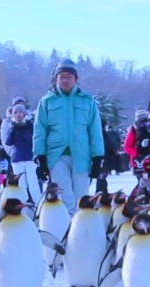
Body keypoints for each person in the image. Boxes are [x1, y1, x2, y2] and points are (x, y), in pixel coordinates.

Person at [33, 58, 105, 215]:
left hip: (81, 156)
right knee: (66, 198)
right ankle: (68, 234)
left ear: (76, 79)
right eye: (61, 76)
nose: (65, 80)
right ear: (56, 78)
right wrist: (40, 158)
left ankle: (81, 234)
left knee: (82, 198)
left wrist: (98, 157)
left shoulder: (87, 101)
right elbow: (40, 130)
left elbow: (95, 131)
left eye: (68, 76)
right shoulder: (47, 102)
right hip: (56, 156)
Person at [3, 103, 40, 203]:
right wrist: (14, 130)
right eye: (15, 112)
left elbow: (32, 140)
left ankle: (38, 205)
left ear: (24, 114)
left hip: (29, 158)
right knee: (21, 185)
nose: (18, 114)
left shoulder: (29, 125)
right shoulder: (12, 126)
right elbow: (8, 142)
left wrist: (24, 129)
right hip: (17, 160)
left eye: (20, 112)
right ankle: (22, 205)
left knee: (33, 184)